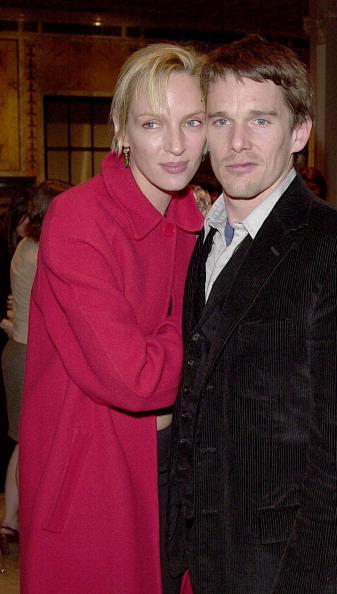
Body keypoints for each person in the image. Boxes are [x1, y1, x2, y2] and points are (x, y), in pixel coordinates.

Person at [167, 34, 337, 594]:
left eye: (260, 120)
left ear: (299, 132)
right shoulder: (204, 238)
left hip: (283, 572)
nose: (237, 142)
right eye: (220, 120)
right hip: (199, 563)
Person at [19, 43, 206, 594]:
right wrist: (199, 325)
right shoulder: (79, 216)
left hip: (180, 469)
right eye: (152, 123)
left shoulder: (200, 223)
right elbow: (134, 379)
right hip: (93, 479)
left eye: (192, 121)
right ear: (121, 131)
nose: (176, 144)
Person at [0, 182, 69, 560]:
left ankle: (11, 521)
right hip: (30, 354)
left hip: (19, 350)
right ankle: (20, 522)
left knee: (22, 442)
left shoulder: (27, 245)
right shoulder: (42, 250)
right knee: (30, 444)